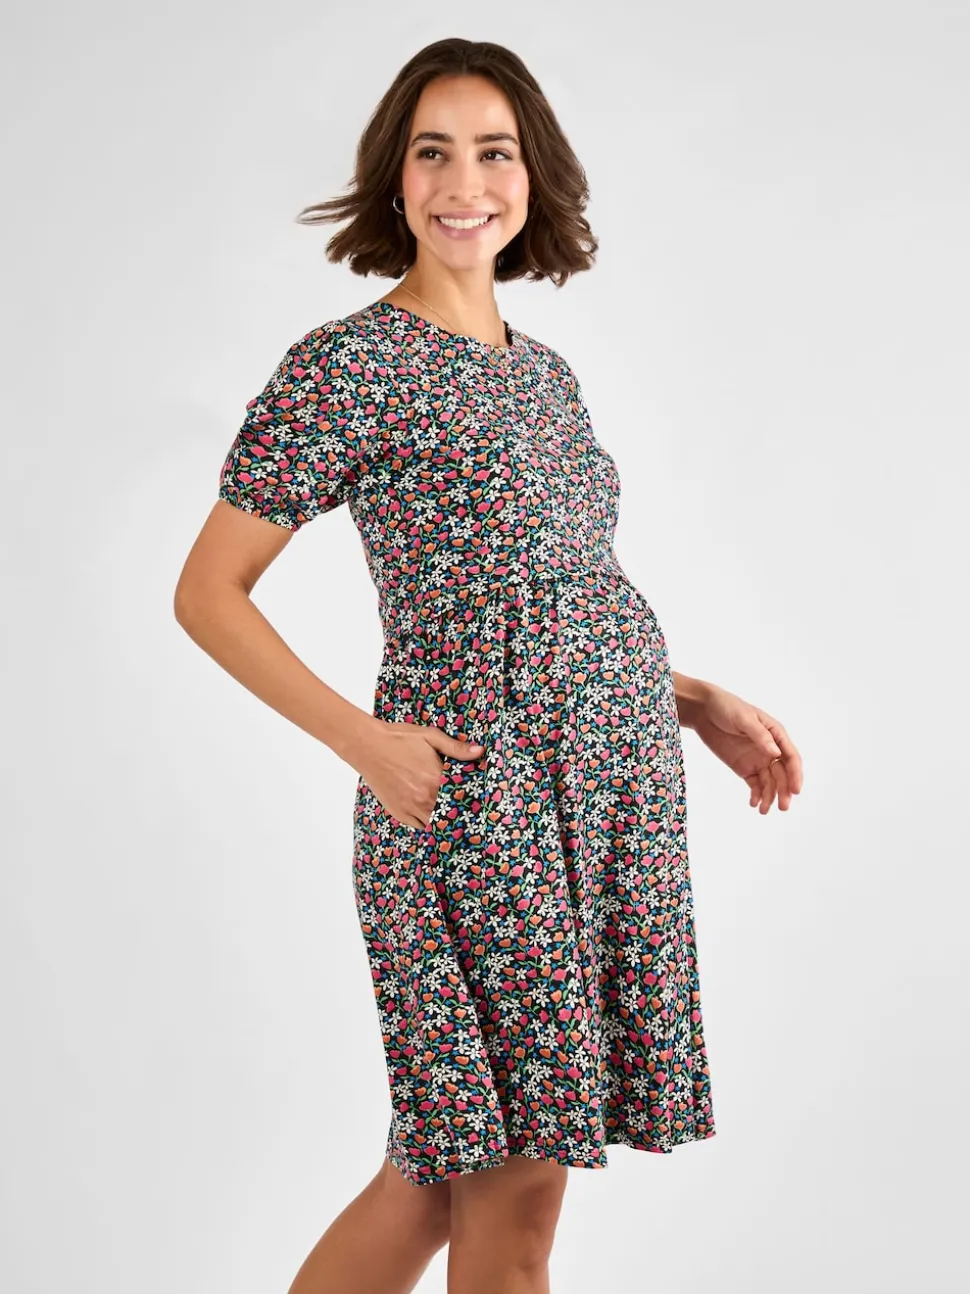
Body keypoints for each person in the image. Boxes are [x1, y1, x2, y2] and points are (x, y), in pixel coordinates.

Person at [174, 36, 803, 1294]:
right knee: (512, 1222)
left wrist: (686, 698)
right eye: (433, 152)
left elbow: (551, 601)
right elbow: (207, 592)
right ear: (395, 179)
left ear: (533, 174)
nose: (465, 182)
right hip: (480, 809)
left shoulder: (546, 377)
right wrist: (364, 739)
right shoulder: (349, 365)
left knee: (431, 1185)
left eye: (494, 151)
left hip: (600, 795)